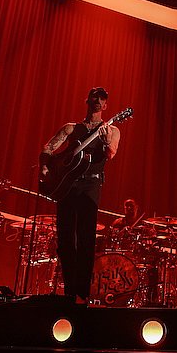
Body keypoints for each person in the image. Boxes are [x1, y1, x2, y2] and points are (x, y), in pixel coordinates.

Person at [39, 87, 120, 305]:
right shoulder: (71, 128)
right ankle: (69, 291)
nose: (97, 100)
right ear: (88, 100)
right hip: (67, 185)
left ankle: (82, 294)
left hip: (90, 185)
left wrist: (105, 141)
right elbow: (48, 148)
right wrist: (45, 167)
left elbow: (111, 153)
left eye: (102, 98)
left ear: (105, 105)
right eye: (94, 97)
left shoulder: (112, 130)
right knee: (65, 238)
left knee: (86, 239)